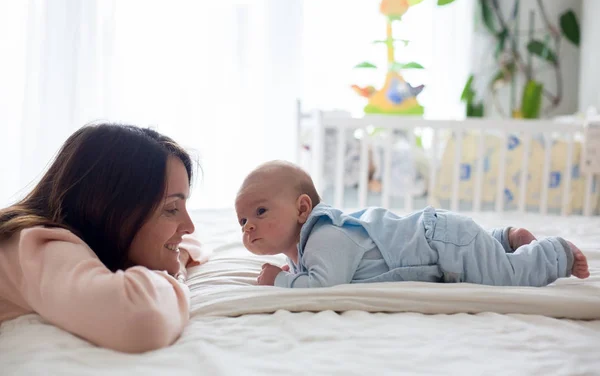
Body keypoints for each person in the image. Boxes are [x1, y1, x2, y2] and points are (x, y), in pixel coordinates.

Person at [0, 124, 210, 353]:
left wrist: (175, 253)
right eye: (171, 208)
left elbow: (193, 241)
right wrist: (176, 270)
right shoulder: (38, 244)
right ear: (111, 208)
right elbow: (141, 319)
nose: (189, 226)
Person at [234, 160, 590, 289]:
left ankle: (553, 252)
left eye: (261, 212)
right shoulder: (306, 248)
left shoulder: (326, 234)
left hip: (441, 245)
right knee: (483, 258)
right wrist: (289, 269)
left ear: (302, 208)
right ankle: (507, 240)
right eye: (243, 220)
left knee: (508, 278)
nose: (249, 226)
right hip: (442, 240)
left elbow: (324, 284)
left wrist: (278, 279)